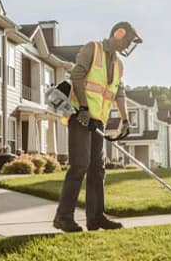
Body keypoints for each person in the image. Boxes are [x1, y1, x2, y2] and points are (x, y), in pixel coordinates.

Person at [52, 21, 142, 232]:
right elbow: (77, 76)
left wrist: (125, 120)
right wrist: (83, 107)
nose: (128, 46)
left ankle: (96, 218)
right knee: (80, 165)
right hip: (80, 117)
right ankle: (63, 217)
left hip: (97, 121)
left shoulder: (119, 65)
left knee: (97, 170)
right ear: (119, 33)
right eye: (128, 40)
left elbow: (119, 93)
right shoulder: (93, 49)